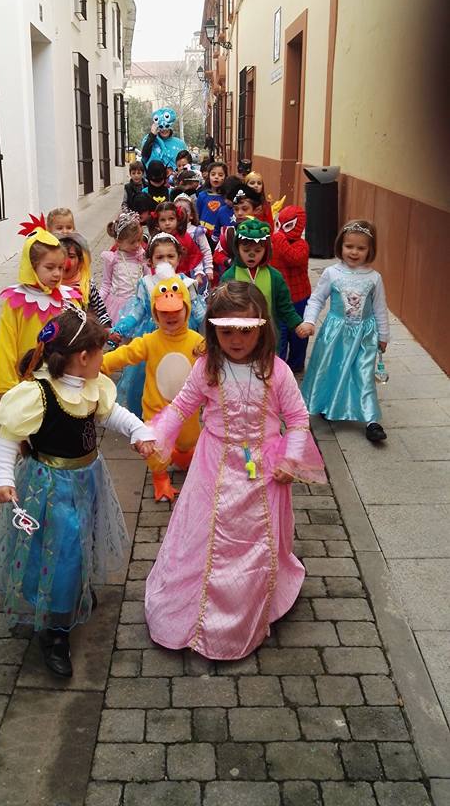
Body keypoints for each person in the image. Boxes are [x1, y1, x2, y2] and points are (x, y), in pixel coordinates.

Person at [145, 281, 326, 660]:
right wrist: (155, 435)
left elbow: (297, 419)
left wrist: (290, 460)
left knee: (256, 541)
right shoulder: (206, 368)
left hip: (264, 471)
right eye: (226, 332)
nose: (236, 340)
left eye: (245, 330)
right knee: (204, 533)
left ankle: (249, 606)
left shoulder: (277, 372)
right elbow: (181, 407)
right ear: (213, 332)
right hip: (213, 465)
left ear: (262, 327)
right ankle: (194, 607)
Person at [0, 308, 155, 676]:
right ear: (84, 356)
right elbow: (10, 436)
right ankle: (55, 629)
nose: (105, 359)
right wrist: (3, 477)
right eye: (101, 352)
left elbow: (111, 414)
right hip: (50, 487)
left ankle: (73, 589)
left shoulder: (90, 386)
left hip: (87, 479)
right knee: (60, 550)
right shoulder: (39, 394)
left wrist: (139, 431)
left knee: (80, 541)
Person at [102, 273, 201, 502]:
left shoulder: (197, 341)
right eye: (164, 312)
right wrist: (101, 364)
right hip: (156, 407)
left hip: (187, 410)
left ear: (186, 308)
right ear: (155, 313)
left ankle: (182, 456)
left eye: (176, 310)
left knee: (188, 441)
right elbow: (126, 354)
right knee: (156, 447)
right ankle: (160, 478)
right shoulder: (150, 340)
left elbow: (213, 363)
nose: (171, 316)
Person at [301, 220, 390, 443]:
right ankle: (323, 404)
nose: (354, 252)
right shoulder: (331, 273)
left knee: (363, 373)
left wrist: (383, 335)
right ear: (340, 245)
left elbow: (380, 308)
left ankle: (371, 420)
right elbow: (317, 299)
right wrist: (309, 321)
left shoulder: (374, 278)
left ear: (370, 250)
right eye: (349, 246)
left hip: (364, 336)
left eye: (361, 248)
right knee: (329, 369)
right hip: (334, 333)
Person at [112, 234, 206, 417]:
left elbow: (199, 312)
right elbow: (137, 311)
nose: (166, 261)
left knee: (179, 378)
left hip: (181, 337)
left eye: (170, 256)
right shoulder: (146, 283)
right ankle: (146, 415)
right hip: (153, 337)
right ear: (150, 261)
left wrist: (211, 330)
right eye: (160, 257)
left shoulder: (186, 283)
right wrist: (120, 328)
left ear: (179, 258)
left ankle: (179, 414)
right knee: (146, 379)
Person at [0, 218, 81, 395]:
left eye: (60, 267)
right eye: (50, 267)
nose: (57, 274)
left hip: (62, 382)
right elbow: (6, 345)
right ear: (32, 267)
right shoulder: (16, 301)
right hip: (27, 384)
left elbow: (78, 339)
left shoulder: (69, 298)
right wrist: (6, 387)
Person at [221, 218, 308, 343]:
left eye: (257, 251)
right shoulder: (229, 277)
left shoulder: (275, 276)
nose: (251, 255)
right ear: (237, 249)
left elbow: (285, 307)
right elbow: (222, 309)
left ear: (266, 250)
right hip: (239, 337)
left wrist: (297, 324)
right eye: (246, 250)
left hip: (268, 338)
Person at [272, 206, 311, 373]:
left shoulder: (302, 245)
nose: (281, 230)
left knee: (298, 335)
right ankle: (279, 367)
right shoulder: (274, 242)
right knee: (280, 334)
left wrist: (279, 238)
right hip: (279, 297)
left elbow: (294, 258)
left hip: (299, 297)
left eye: (287, 226)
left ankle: (296, 364)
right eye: (278, 225)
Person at [100, 211, 149, 324]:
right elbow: (106, 284)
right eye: (132, 242)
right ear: (118, 242)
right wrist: (96, 304)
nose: (137, 245)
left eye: (139, 240)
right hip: (117, 308)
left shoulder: (141, 257)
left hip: (138, 305)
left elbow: (148, 279)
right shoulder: (112, 259)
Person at [59, 233, 111, 327]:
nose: (66, 262)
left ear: (80, 262)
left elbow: (101, 312)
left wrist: (106, 328)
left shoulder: (87, 286)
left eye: (71, 256)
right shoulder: (51, 287)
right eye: (62, 256)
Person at [171, 192, 214, 287]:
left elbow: (206, 250)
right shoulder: (172, 232)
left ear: (191, 215)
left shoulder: (196, 232)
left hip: (196, 270)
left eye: (185, 211)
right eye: (178, 210)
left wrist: (209, 268)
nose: (181, 213)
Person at [154, 201, 203, 279]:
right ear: (157, 222)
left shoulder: (185, 237)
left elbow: (194, 255)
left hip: (182, 279)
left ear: (178, 219)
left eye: (171, 219)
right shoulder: (155, 240)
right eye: (163, 220)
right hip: (160, 279)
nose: (167, 223)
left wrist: (198, 273)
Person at [196, 161, 227, 237]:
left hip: (220, 234)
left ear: (225, 177)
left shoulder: (226, 198)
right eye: (213, 174)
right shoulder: (202, 195)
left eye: (220, 175)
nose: (216, 177)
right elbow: (197, 214)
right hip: (203, 233)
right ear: (208, 176)